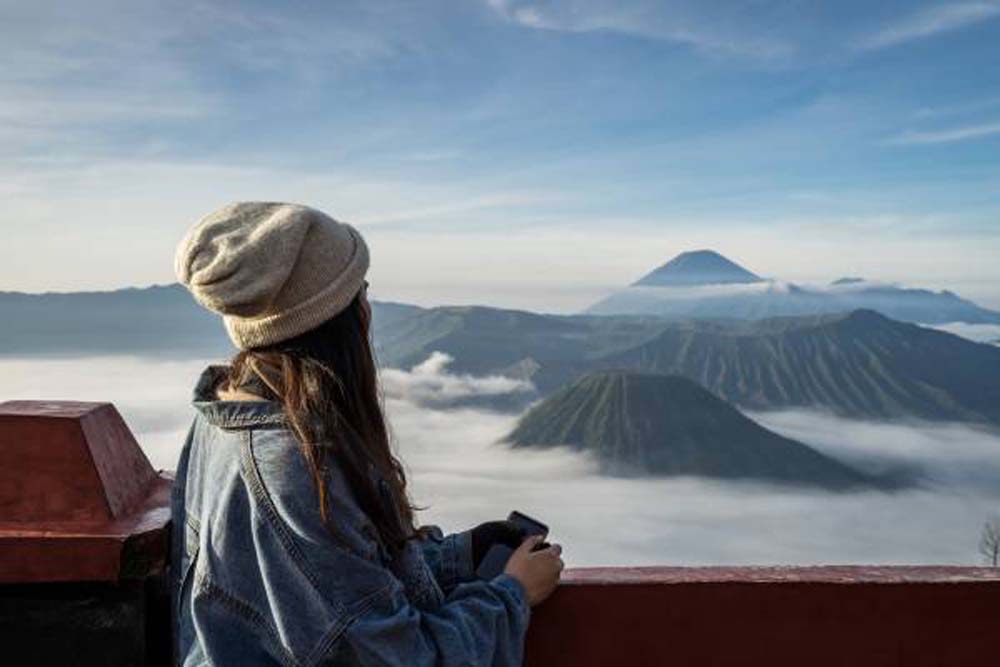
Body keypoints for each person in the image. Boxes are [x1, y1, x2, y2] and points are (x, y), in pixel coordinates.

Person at [170, 202, 564, 666]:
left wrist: (458, 556)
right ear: (331, 316)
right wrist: (512, 595)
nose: (367, 305)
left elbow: (322, 584)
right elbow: (401, 657)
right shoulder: (291, 470)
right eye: (360, 289)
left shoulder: (223, 416)